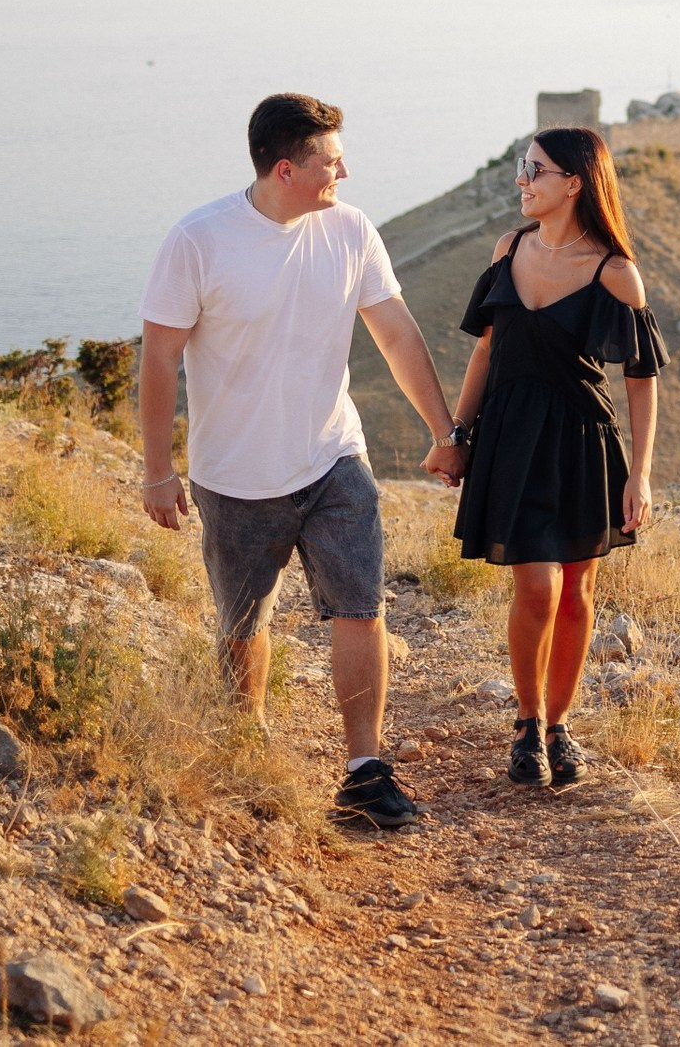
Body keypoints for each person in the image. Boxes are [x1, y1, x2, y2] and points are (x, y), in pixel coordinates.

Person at [137, 93, 470, 831]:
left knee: (361, 602)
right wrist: (157, 468)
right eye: (330, 160)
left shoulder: (350, 231)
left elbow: (398, 336)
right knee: (241, 622)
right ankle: (246, 742)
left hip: (332, 456)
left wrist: (445, 430)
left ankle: (364, 767)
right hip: (234, 475)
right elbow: (158, 357)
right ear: (286, 168)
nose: (344, 170)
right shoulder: (199, 239)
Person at [442, 126, 664, 789]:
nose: (522, 180)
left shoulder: (615, 273)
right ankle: (527, 722)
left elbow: (642, 379)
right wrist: (456, 434)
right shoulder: (507, 248)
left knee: (576, 595)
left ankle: (560, 725)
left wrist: (641, 475)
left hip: (580, 445)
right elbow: (485, 350)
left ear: (573, 181)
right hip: (510, 441)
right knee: (536, 585)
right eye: (521, 166)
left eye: (533, 169)